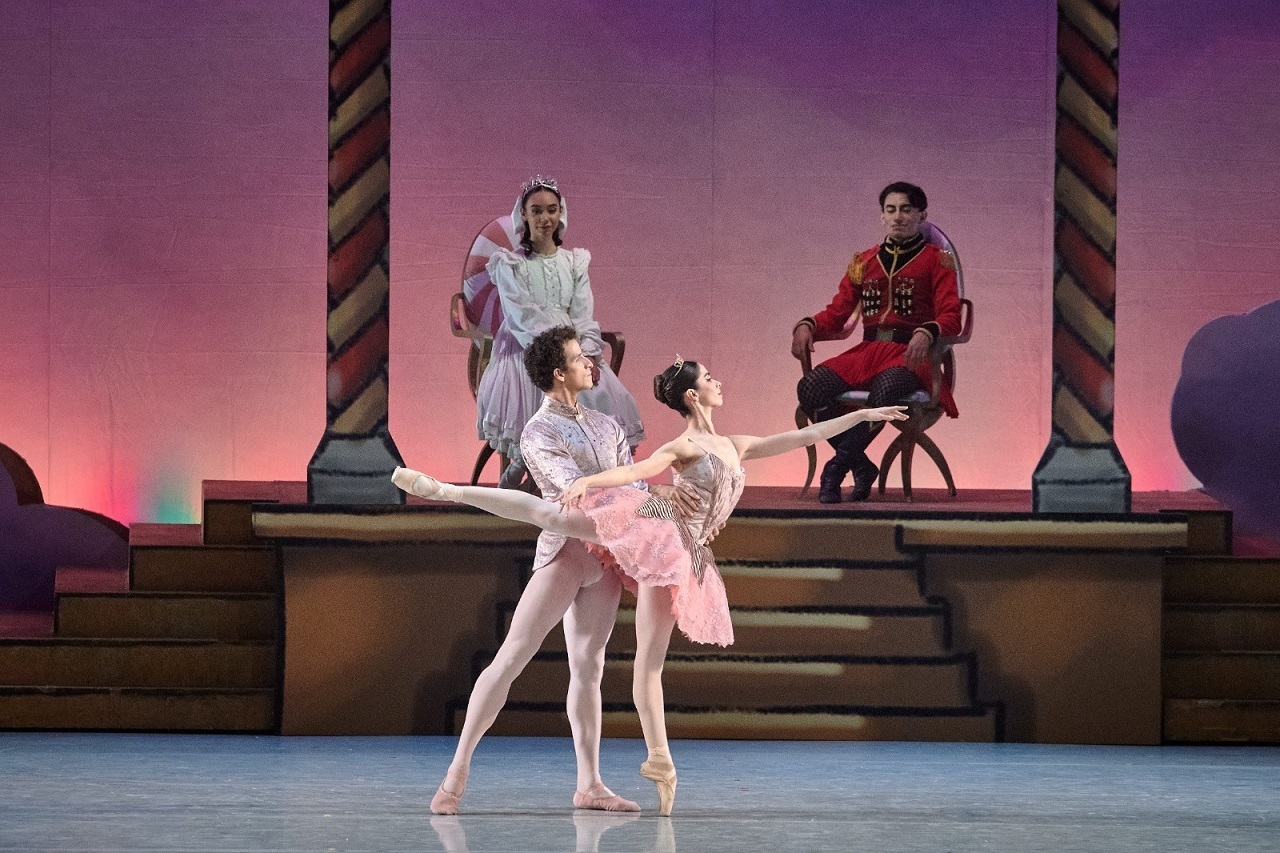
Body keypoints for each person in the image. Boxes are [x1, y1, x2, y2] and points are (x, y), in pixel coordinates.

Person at [393, 359, 907, 815]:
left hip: (666, 539)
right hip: (634, 524)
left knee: (600, 664)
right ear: (693, 395)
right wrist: (595, 484)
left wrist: (862, 416)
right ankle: (447, 491)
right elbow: (633, 473)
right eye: (710, 378)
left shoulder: (721, 442)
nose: (719, 382)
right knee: (551, 526)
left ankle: (604, 779)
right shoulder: (654, 441)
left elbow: (801, 438)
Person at [426, 326, 694, 817]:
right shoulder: (538, 432)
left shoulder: (608, 425)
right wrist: (637, 501)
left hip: (608, 556)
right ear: (558, 372)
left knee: (589, 667)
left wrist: (664, 504)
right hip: (567, 551)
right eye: (579, 358)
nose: (591, 363)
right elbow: (576, 493)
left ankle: (590, 784)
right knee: (512, 657)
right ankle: (456, 773)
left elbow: (631, 488)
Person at [791, 181, 962, 503]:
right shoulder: (864, 261)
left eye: (906, 210)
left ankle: (836, 468)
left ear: (921, 215)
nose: (898, 217)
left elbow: (952, 315)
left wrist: (927, 331)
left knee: (886, 389)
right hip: (866, 353)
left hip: (910, 356)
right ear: (882, 216)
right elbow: (838, 313)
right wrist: (807, 325)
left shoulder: (936, 260)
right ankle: (860, 464)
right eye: (890, 210)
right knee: (811, 387)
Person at [476, 175, 644, 487]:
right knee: (542, 388)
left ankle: (588, 481)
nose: (545, 218)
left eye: (551, 210)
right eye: (536, 211)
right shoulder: (510, 263)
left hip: (571, 346)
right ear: (523, 214)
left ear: (561, 212)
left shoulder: (574, 262)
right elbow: (520, 316)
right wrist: (555, 353)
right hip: (525, 347)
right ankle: (524, 467)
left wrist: (586, 353)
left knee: (598, 393)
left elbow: (581, 313)